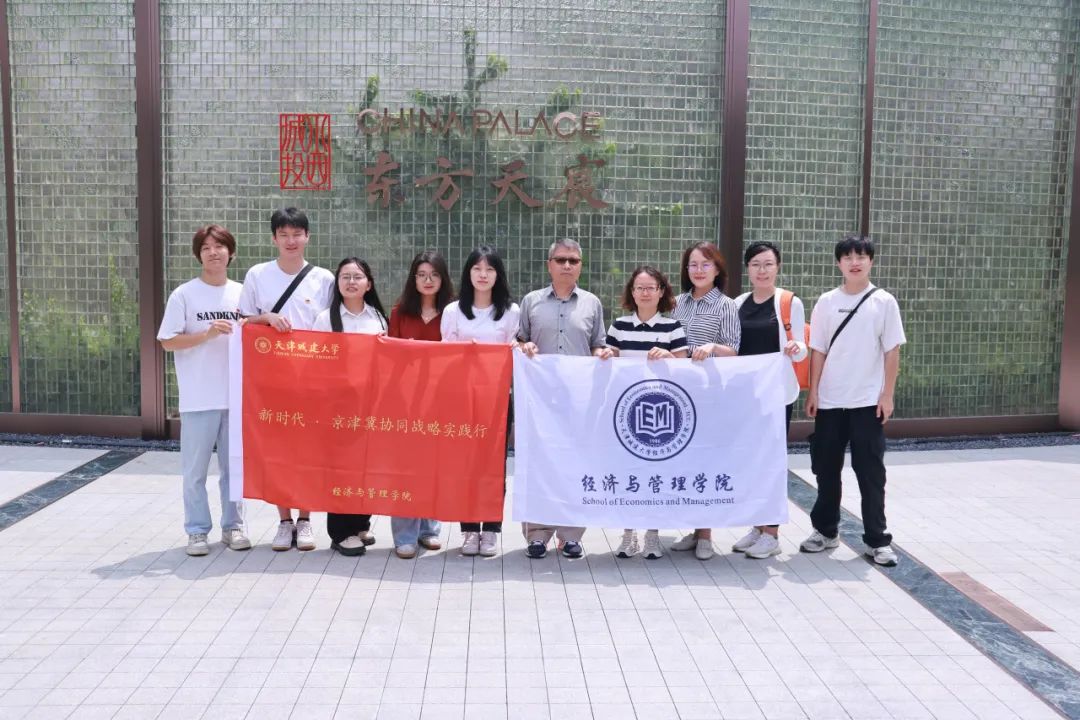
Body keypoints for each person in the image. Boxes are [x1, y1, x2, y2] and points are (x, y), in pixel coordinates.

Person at [801, 235, 905, 567]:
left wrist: (887, 395)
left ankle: (877, 540)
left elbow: (892, 351)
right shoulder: (826, 301)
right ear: (838, 263)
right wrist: (814, 392)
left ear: (871, 261)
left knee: (870, 473)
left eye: (861, 256)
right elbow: (818, 350)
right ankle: (825, 530)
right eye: (847, 257)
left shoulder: (884, 302)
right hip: (830, 401)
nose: (854, 262)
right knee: (826, 470)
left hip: (867, 402)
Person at [239, 207, 334, 552]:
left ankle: (305, 519)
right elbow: (242, 321)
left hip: (312, 379)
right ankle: (283, 521)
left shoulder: (324, 279)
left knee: (308, 449)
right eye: (284, 234)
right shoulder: (257, 275)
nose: (291, 241)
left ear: (308, 237)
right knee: (277, 448)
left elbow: (334, 326)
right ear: (274, 238)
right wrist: (265, 317)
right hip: (271, 379)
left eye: (297, 234)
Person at [517, 239, 612, 560]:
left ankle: (571, 535)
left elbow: (598, 343)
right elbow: (519, 340)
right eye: (560, 259)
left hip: (578, 401)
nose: (567, 265)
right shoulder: (531, 301)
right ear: (549, 264)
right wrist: (525, 346)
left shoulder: (592, 304)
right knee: (539, 466)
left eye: (573, 260)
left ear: (581, 266)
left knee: (575, 465)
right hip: (539, 400)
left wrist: (602, 354)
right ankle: (537, 534)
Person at [158, 225, 250, 556]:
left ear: (231, 252)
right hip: (199, 398)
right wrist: (206, 335)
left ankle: (233, 526)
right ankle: (197, 531)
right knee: (195, 472)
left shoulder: (243, 293)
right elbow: (167, 341)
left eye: (219, 246)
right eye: (206, 247)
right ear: (198, 254)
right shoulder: (184, 294)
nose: (213, 252)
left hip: (236, 399)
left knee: (234, 470)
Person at [440, 246, 520, 557]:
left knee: (494, 467)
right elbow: (445, 354)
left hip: (498, 400)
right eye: (477, 269)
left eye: (489, 269)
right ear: (468, 273)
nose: (483, 275)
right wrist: (465, 352)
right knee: (467, 465)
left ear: (498, 275)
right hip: (463, 399)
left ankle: (492, 529)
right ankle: (470, 529)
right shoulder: (453, 311)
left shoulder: (511, 312)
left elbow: (514, 352)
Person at [730, 241, 807, 559]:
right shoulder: (737, 303)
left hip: (776, 395)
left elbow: (801, 346)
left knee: (772, 461)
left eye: (768, 264)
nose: (762, 270)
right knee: (751, 460)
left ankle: (772, 533)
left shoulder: (788, 302)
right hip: (746, 397)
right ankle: (757, 525)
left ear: (777, 267)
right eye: (755, 264)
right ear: (747, 269)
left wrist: (795, 349)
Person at [606, 265, 688, 560]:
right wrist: (605, 354)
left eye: (650, 288)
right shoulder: (618, 326)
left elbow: (685, 367)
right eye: (639, 287)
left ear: (661, 291)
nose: (644, 293)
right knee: (627, 472)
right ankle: (628, 535)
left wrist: (668, 356)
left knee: (658, 473)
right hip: (626, 413)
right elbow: (608, 361)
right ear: (631, 291)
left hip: (661, 413)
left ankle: (653, 535)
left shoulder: (672, 327)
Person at [670, 241, 741, 560]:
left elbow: (734, 349)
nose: (698, 270)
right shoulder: (677, 303)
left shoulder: (726, 305)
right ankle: (693, 528)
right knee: (685, 460)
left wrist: (712, 347)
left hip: (710, 394)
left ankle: (706, 535)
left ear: (717, 269)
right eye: (693, 265)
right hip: (679, 393)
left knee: (707, 461)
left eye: (705, 264)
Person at [313, 257, 389, 556]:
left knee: (366, 465)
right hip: (338, 405)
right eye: (345, 276)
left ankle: (360, 524)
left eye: (357, 276)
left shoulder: (378, 318)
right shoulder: (325, 319)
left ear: (369, 284)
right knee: (341, 468)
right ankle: (340, 532)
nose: (351, 282)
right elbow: (317, 362)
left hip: (371, 404)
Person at [388, 250, 454, 558]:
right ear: (413, 279)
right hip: (406, 402)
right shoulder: (400, 313)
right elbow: (389, 358)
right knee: (404, 467)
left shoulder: (452, 313)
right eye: (422, 275)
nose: (428, 281)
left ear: (443, 279)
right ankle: (404, 534)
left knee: (434, 466)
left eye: (434, 275)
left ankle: (429, 528)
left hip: (441, 401)